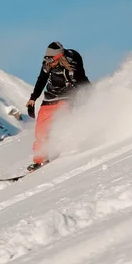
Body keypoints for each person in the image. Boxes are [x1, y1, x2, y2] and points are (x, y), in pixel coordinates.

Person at [26, 41, 90, 171]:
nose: (49, 62)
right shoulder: (47, 64)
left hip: (67, 97)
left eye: (51, 59)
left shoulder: (73, 59)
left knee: (61, 123)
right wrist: (33, 98)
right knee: (40, 131)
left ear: (59, 56)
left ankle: (69, 151)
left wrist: (87, 93)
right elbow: (42, 79)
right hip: (50, 98)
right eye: (47, 59)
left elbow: (81, 79)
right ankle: (40, 160)